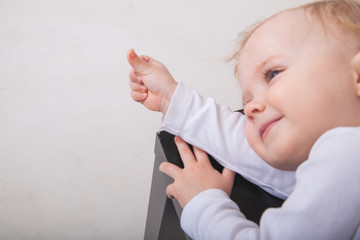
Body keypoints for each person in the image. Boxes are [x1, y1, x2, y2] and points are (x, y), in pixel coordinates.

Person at [128, 0, 360, 239]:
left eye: (273, 74)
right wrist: (171, 98)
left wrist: (204, 203)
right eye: (247, 102)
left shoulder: (348, 153)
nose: (249, 110)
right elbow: (254, 150)